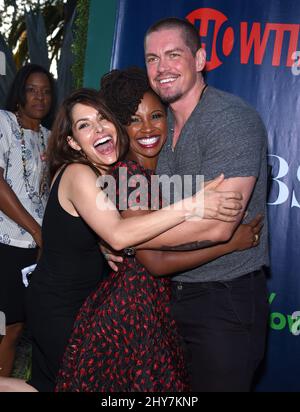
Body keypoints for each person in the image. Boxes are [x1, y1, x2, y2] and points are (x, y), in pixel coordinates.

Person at [0, 87, 243, 392]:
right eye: (84, 125)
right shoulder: (78, 173)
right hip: (58, 305)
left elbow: (100, 232)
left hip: (76, 299)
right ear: (73, 142)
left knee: (48, 385)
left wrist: (98, 245)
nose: (98, 128)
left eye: (102, 118)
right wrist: (194, 205)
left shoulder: (106, 174)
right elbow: (118, 234)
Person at [55, 68, 262, 392]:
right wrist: (230, 243)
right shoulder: (129, 174)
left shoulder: (161, 168)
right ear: (122, 126)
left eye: (156, 115)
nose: (148, 128)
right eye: (134, 120)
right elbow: (154, 262)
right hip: (133, 316)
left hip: (157, 311)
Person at [143, 17, 269, 392]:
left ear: (200, 59)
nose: (161, 68)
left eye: (173, 54)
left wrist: (129, 238)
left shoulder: (229, 119)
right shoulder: (155, 127)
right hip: (168, 296)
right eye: (152, 59)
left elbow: (217, 226)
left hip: (224, 299)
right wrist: (120, 232)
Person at [0, 63, 55, 377]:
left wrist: (42, 239)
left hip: (34, 249)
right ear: (19, 93)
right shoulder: (4, 122)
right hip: (5, 242)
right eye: (32, 89)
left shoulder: (50, 138)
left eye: (46, 91)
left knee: (15, 327)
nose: (40, 97)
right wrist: (37, 231)